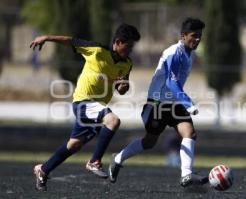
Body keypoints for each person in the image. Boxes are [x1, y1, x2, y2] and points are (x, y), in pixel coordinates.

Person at [31, 23, 140, 191]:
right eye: (128, 46)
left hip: (97, 107)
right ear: (117, 42)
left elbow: (122, 87)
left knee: (74, 145)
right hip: (84, 101)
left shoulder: (127, 63)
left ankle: (43, 170)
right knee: (113, 121)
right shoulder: (96, 50)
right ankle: (94, 161)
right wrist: (46, 37)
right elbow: (70, 41)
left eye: (132, 47)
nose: (130, 50)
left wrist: (122, 86)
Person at [108, 18, 208, 188]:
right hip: (157, 103)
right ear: (183, 35)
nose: (197, 40)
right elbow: (170, 82)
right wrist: (188, 103)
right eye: (194, 36)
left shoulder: (188, 55)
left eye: (199, 36)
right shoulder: (173, 52)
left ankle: (186, 175)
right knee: (149, 142)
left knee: (189, 134)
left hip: (174, 103)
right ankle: (117, 159)